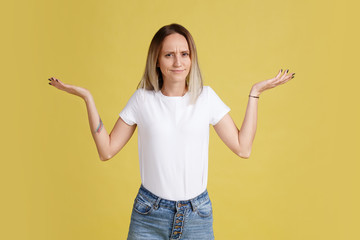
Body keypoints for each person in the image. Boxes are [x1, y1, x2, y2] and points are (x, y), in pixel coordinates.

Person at [48, 23, 295, 240]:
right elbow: (106, 150)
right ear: (156, 59)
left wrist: (255, 93)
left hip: (197, 215)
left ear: (192, 58)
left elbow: (243, 148)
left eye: (184, 54)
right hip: (149, 214)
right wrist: (88, 98)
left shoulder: (206, 98)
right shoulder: (142, 100)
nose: (178, 62)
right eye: (169, 55)